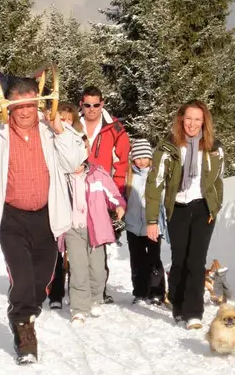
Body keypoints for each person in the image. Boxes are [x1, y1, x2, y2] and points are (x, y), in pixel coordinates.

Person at [0, 78, 87, 365]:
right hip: (10, 216)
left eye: (31, 104)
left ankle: (26, 306)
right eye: (20, 105)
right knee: (23, 276)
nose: (26, 111)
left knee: (41, 280)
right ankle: (24, 327)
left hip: (46, 214)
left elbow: (77, 160)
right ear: (8, 105)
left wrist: (59, 130)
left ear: (38, 103)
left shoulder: (51, 127)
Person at [145, 100, 225, 330]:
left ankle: (193, 312)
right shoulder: (168, 148)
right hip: (178, 208)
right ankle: (178, 304)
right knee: (180, 259)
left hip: (203, 209)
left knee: (197, 259)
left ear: (204, 122)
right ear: (181, 119)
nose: (192, 124)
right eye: (188, 118)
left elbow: (218, 181)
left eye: (197, 119)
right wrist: (152, 219)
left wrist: (215, 207)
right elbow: (154, 184)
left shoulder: (214, 149)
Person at [58, 156, 126, 323]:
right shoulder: (61, 175)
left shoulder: (97, 174)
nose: (76, 167)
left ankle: (95, 298)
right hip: (72, 229)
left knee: (97, 269)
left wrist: (118, 205)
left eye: (79, 162)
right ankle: (79, 308)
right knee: (78, 268)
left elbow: (113, 194)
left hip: (95, 228)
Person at [79, 85, 131, 304]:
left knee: (98, 241)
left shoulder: (115, 128)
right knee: (74, 240)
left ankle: (99, 289)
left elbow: (122, 163)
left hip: (101, 192)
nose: (92, 109)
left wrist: (117, 194)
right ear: (81, 105)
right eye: (87, 105)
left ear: (103, 104)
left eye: (96, 105)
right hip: (75, 188)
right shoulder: (70, 122)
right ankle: (75, 289)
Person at [48, 102, 83, 309]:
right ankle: (55, 292)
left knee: (74, 248)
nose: (66, 122)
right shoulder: (50, 137)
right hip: (56, 194)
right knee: (56, 250)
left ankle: (77, 291)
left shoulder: (78, 138)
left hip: (75, 196)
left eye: (70, 119)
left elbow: (84, 159)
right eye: (62, 118)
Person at [124, 138, 167, 306]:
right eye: (138, 158)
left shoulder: (156, 175)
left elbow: (162, 198)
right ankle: (140, 291)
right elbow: (122, 197)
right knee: (137, 260)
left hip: (153, 226)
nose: (141, 162)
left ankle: (157, 292)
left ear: (150, 158)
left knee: (154, 259)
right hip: (133, 226)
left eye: (144, 158)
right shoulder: (129, 176)